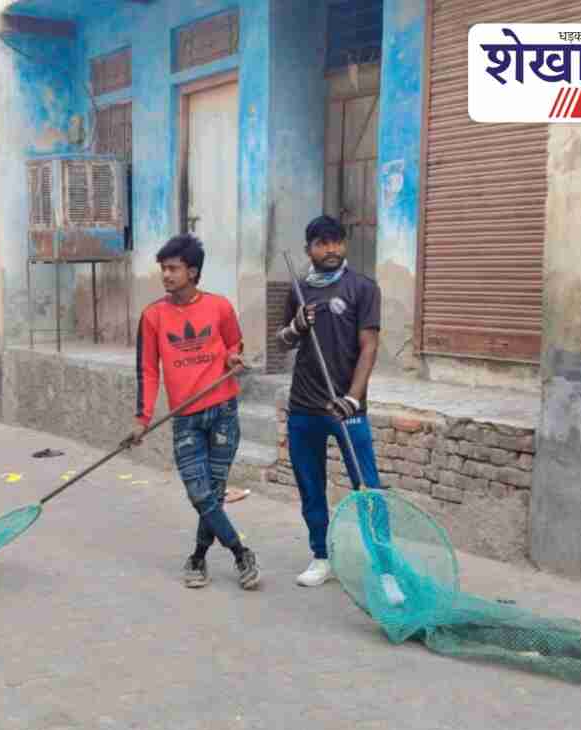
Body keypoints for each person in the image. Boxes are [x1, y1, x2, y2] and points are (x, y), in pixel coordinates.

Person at [278, 215, 404, 605]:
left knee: (368, 489)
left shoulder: (363, 288)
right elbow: (283, 341)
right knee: (310, 486)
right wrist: (296, 327)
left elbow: (369, 347)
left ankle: (385, 569)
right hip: (304, 407)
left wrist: (352, 397)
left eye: (337, 242)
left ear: (345, 245)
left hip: (347, 408)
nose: (331, 249)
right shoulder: (298, 290)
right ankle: (321, 556)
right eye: (322, 243)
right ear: (309, 249)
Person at [129, 234, 259, 590]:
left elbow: (234, 343)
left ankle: (198, 558)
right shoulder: (153, 316)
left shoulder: (219, 307)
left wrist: (233, 358)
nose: (166, 275)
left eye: (173, 268)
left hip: (223, 411)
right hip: (185, 418)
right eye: (163, 269)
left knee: (213, 492)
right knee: (199, 493)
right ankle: (240, 551)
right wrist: (142, 419)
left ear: (193, 271)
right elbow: (148, 370)